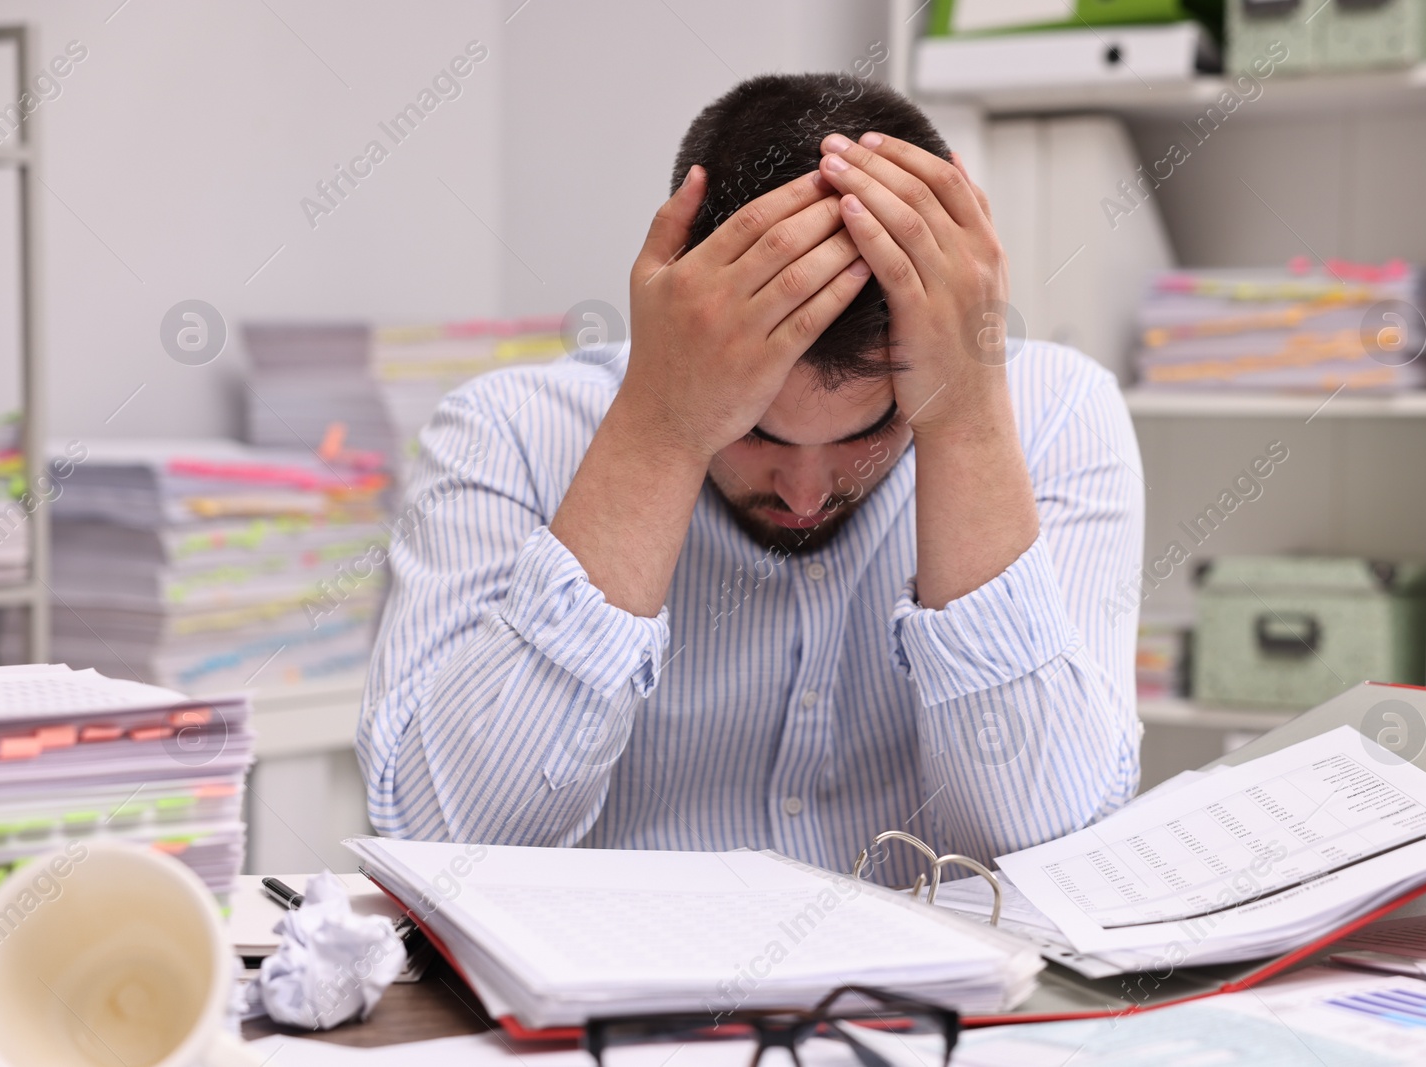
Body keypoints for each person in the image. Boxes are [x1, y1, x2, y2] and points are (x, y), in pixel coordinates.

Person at [357, 73, 1144, 881]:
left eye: (873, 429)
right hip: (623, 998)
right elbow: (437, 844)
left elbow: (1058, 847)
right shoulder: (507, 433)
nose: (806, 495)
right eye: (753, 430)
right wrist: (662, 427)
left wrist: (966, 418)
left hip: (935, 1005)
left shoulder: (1054, 414)